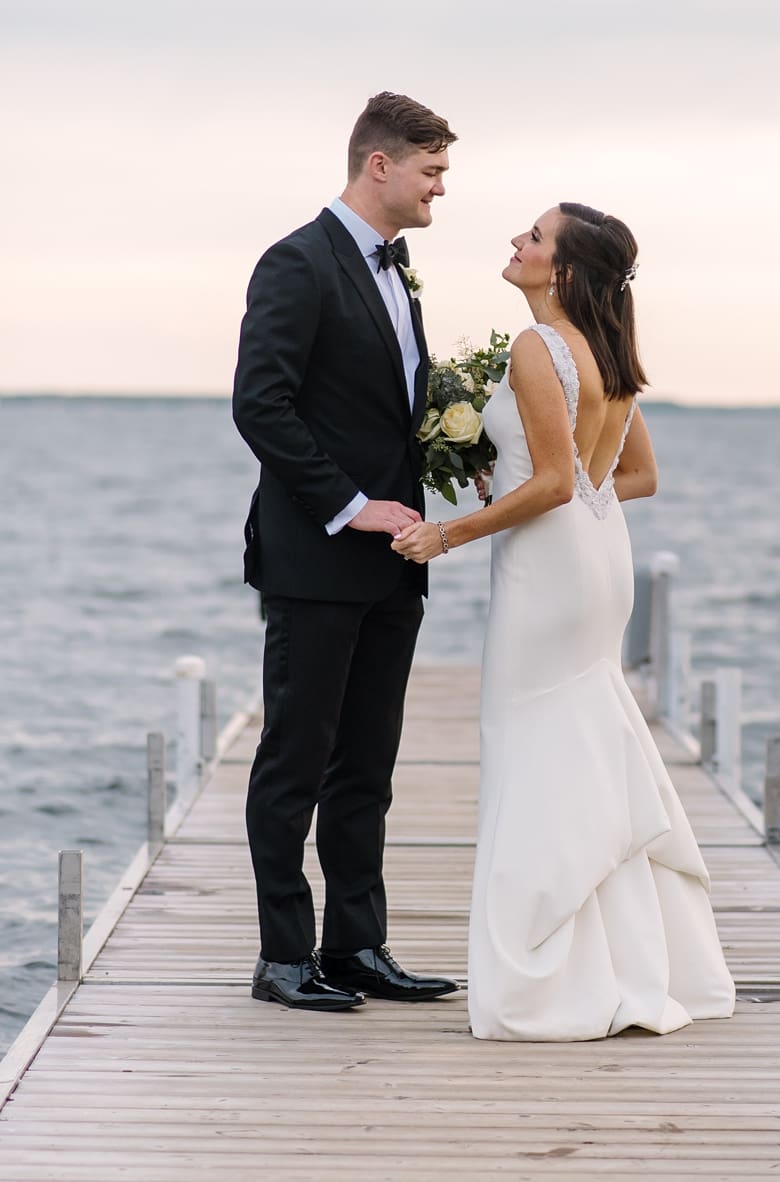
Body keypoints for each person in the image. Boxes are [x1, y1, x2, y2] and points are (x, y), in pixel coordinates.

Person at [393, 202, 736, 1040]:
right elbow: (635, 475)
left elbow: (549, 482)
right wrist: (565, 498)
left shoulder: (538, 346)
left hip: (549, 573)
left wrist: (450, 532)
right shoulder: (610, 352)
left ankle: (547, 970)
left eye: (534, 238)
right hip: (595, 557)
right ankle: (622, 956)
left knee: (532, 741)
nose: (517, 242)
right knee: (580, 732)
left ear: (566, 271)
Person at [232, 91, 460, 1012]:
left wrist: (457, 458)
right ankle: (284, 957)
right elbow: (262, 406)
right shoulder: (296, 263)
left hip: (396, 563)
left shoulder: (396, 272)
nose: (441, 191)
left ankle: (357, 945)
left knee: (368, 765)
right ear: (380, 165)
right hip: (316, 558)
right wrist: (352, 504)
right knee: (295, 761)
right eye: (432, 172)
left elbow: (387, 409)